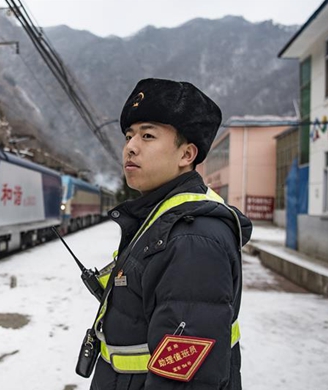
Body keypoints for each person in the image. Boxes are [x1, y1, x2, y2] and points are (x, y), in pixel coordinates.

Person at [86, 78, 252, 390]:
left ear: (186, 155)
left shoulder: (193, 238)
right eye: (129, 136)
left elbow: (186, 378)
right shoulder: (161, 217)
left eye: (147, 136)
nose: (131, 146)